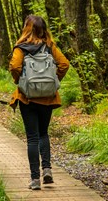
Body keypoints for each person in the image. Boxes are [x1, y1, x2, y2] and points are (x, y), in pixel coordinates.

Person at [9, 15, 70, 190]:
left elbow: (14, 67)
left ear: (26, 28)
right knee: (43, 133)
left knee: (32, 138)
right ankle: (47, 169)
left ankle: (35, 179)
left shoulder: (21, 48)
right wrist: (52, 82)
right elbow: (64, 64)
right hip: (47, 98)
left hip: (27, 98)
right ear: (43, 28)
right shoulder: (49, 46)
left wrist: (21, 81)